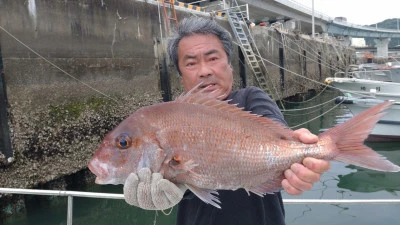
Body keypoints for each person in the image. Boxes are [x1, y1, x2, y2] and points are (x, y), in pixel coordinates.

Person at [123, 16, 330, 225]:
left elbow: (277, 132)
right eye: (191, 63)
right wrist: (174, 188)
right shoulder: (171, 118)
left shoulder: (251, 98)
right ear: (181, 75)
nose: (204, 71)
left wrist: (298, 155)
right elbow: (182, 180)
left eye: (213, 58)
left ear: (229, 65)